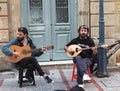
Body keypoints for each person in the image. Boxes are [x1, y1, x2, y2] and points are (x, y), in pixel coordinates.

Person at [64, 25, 97, 90]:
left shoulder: (90, 41)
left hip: (87, 59)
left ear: (87, 32)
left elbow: (94, 53)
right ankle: (85, 74)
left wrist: (95, 50)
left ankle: (80, 83)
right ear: (79, 32)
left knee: (80, 62)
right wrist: (68, 49)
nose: (83, 32)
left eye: (85, 31)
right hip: (77, 58)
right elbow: (65, 46)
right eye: (82, 31)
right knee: (78, 58)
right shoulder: (75, 40)